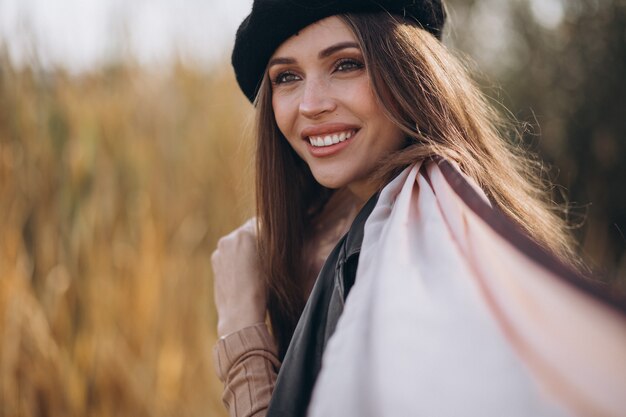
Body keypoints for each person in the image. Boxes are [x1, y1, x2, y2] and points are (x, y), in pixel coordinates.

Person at [211, 1, 626, 416]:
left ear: (410, 71)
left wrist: (241, 331)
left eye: (346, 64)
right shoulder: (345, 235)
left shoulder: (431, 232)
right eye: (287, 77)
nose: (310, 104)